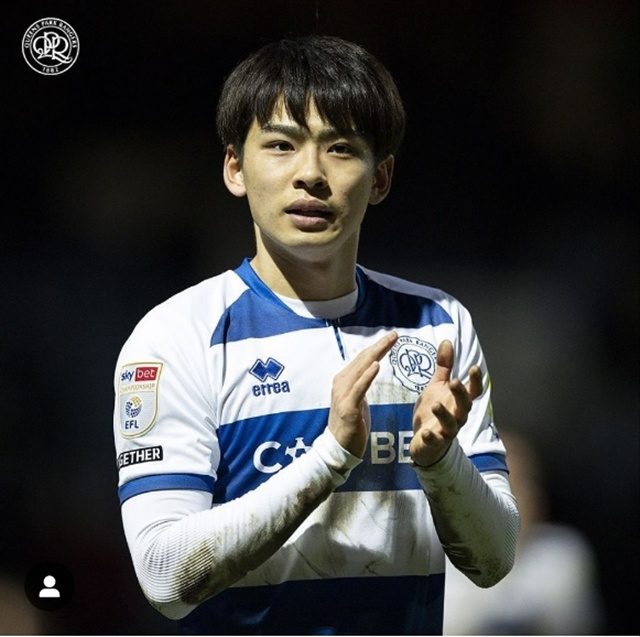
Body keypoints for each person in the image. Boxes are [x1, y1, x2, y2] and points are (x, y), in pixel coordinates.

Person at [113, 35, 520, 635]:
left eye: (341, 149)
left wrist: (440, 463)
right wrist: (330, 456)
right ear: (235, 168)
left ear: (381, 178)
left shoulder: (438, 324)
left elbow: (495, 560)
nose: (310, 174)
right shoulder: (176, 336)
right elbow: (164, 577)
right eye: (281, 145)